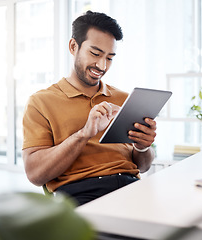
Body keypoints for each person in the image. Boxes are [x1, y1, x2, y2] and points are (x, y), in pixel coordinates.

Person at [22, 11, 156, 206]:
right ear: (73, 46)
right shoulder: (41, 102)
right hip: (81, 193)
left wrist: (143, 146)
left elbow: (143, 167)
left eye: (110, 57)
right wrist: (84, 133)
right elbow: (35, 174)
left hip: (131, 187)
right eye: (95, 54)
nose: (102, 65)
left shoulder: (124, 99)